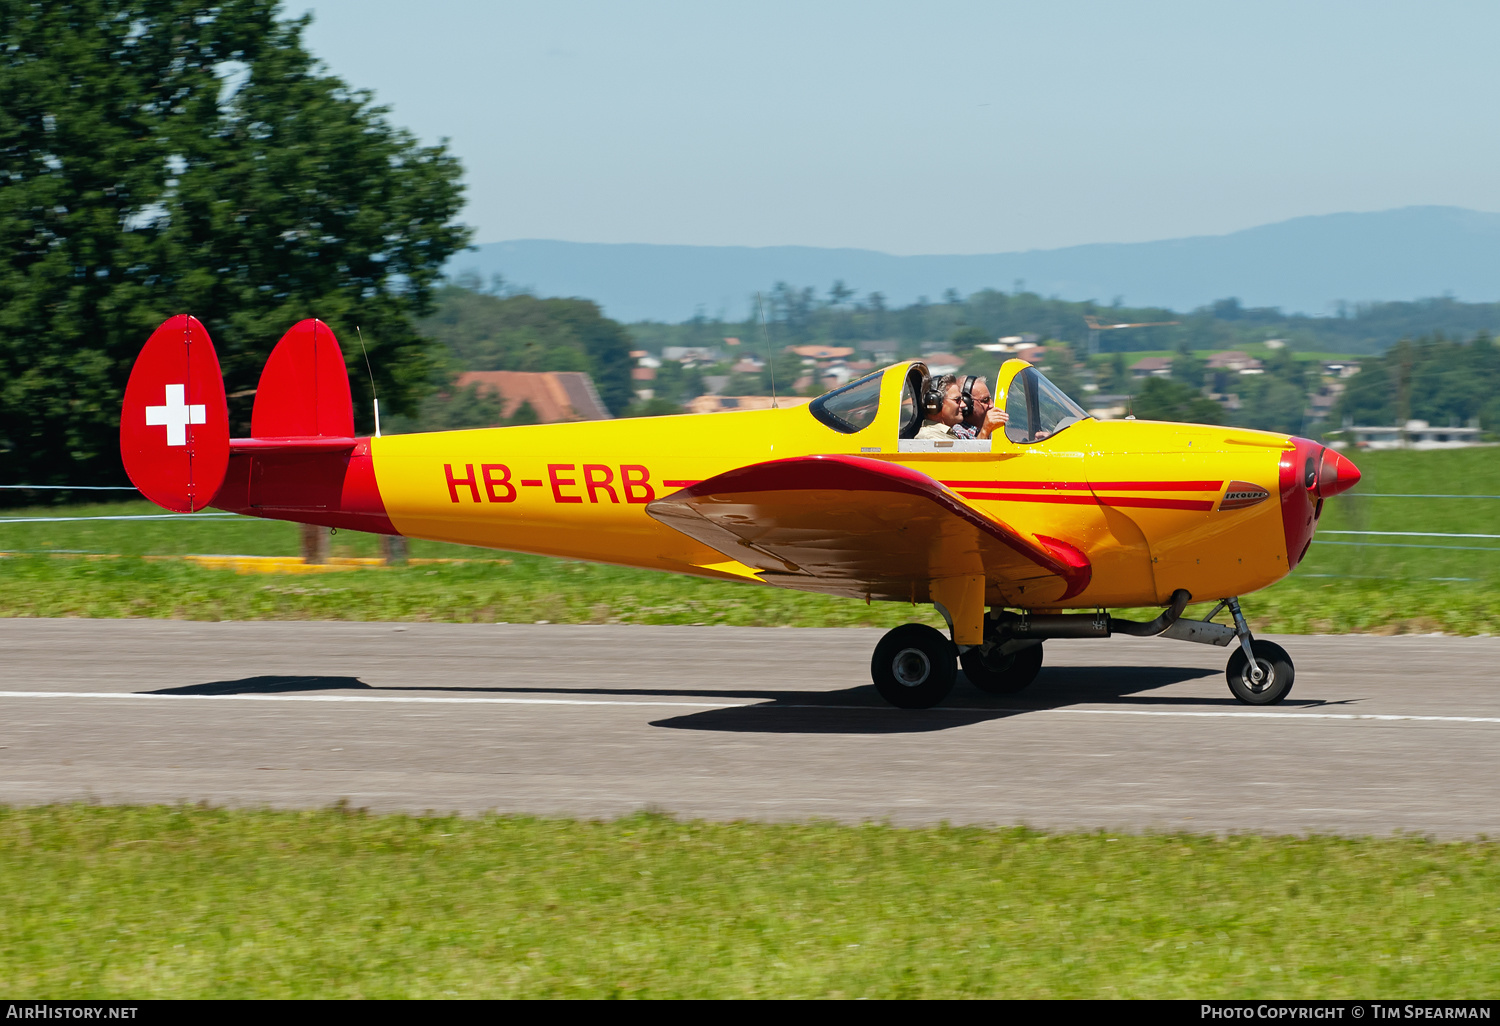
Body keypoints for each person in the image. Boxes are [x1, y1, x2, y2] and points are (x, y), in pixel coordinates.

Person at [951, 376, 1009, 440]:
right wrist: (985, 431)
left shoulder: (979, 430)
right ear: (967, 403)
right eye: (985, 400)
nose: (991, 405)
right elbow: (973, 450)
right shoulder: (958, 432)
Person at [915, 374, 963, 439]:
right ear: (936, 403)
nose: (963, 405)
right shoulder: (929, 438)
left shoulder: (944, 434)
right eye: (957, 400)